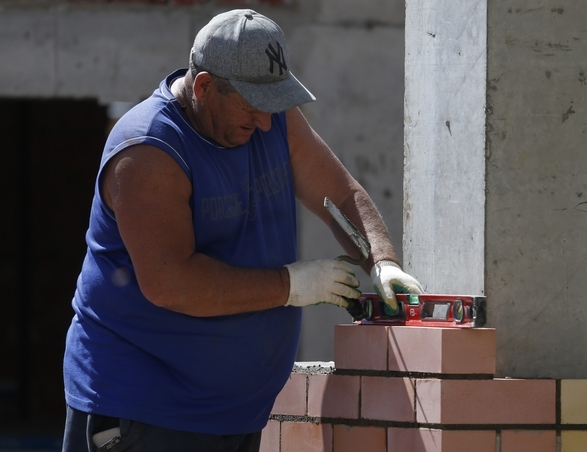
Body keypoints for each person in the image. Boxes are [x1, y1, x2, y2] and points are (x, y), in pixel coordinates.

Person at [61, 9, 422, 452]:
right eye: (252, 108)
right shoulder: (147, 150)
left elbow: (339, 195)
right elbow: (170, 282)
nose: (266, 124)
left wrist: (382, 260)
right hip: (144, 412)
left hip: (231, 416)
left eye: (272, 106)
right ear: (204, 87)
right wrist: (292, 285)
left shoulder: (271, 119)